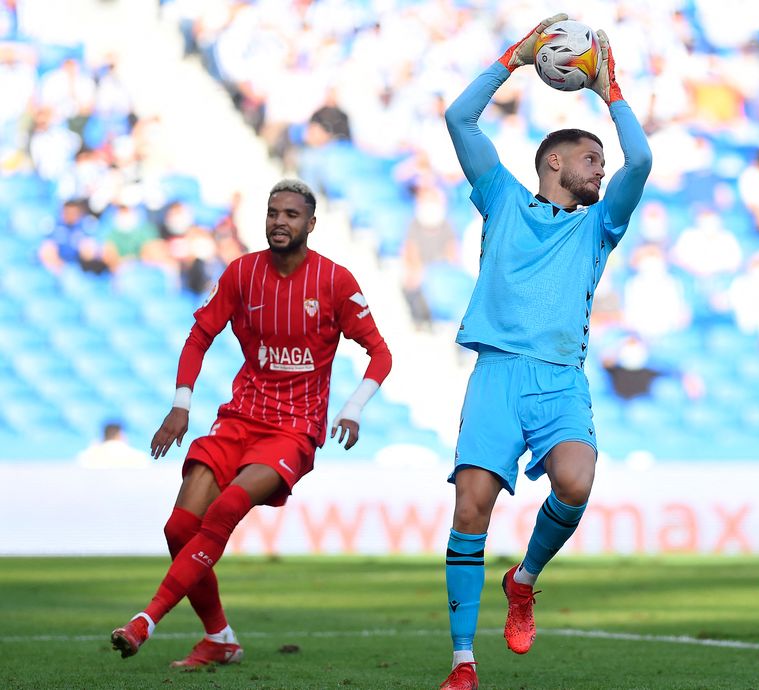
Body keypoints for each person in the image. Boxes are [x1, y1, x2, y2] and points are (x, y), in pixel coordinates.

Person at [438, 16, 652, 689]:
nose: (602, 169)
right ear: (554, 163)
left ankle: (523, 578)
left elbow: (641, 161)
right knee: (470, 508)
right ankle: (462, 664)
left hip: (560, 378)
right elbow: (459, 119)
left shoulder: (598, 226)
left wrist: (608, 90)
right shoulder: (500, 198)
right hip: (496, 373)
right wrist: (513, 58)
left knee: (576, 481)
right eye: (592, 159)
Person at [110, 179, 392, 667]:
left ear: (310, 224)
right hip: (240, 418)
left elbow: (380, 353)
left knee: (224, 511)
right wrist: (181, 405)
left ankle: (145, 621)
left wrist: (353, 407)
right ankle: (220, 638)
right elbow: (199, 335)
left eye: (290, 214)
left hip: (294, 429)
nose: (279, 221)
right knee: (179, 530)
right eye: (272, 212)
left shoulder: (335, 281)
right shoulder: (242, 274)